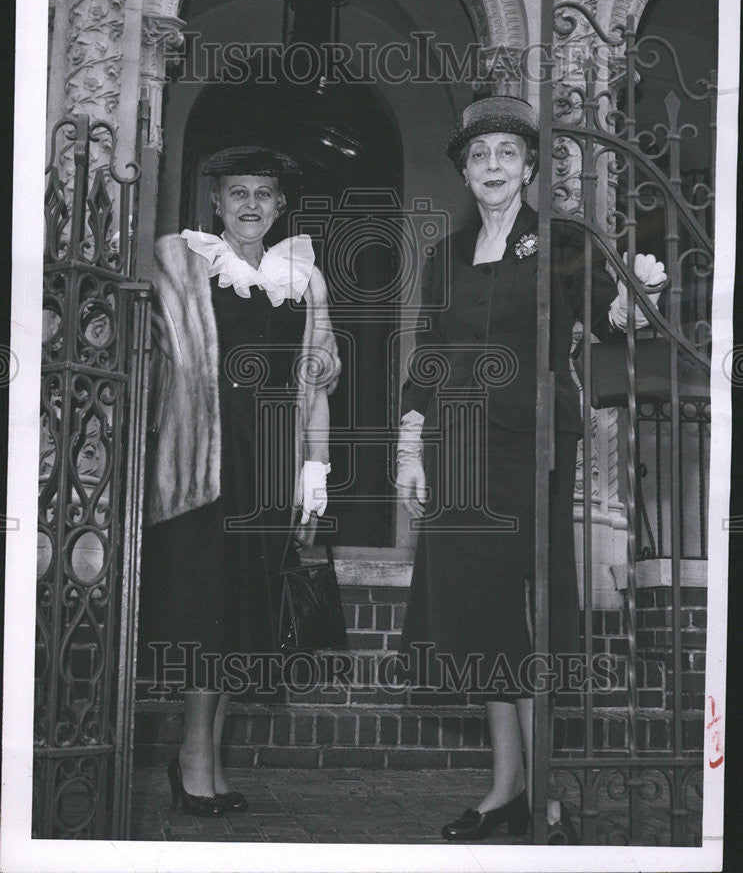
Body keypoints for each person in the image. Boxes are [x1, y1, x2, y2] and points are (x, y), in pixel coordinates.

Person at [395, 96, 665, 842]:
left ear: (530, 168)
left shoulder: (561, 241)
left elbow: (609, 315)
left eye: (506, 154)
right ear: (464, 171)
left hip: (531, 445)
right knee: (481, 617)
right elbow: (427, 354)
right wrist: (409, 450)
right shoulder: (444, 255)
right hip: (456, 450)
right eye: (478, 156)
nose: (491, 167)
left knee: (531, 615)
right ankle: (504, 789)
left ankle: (543, 795)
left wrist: (637, 302)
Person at [139, 146, 340, 816]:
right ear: (217, 205)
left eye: (263, 193)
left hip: (273, 468)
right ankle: (194, 759)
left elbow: (318, 380)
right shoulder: (182, 264)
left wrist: (315, 472)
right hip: (208, 464)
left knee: (245, 622)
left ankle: (206, 759)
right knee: (207, 617)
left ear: (280, 206)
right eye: (236, 193)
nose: (250, 203)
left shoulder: (303, 278)